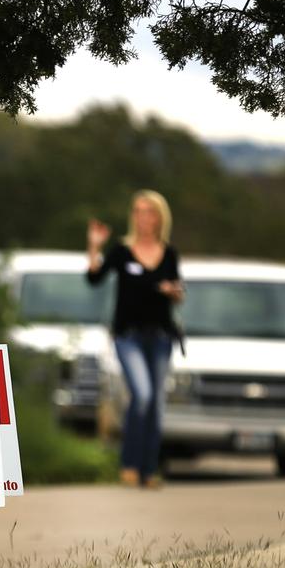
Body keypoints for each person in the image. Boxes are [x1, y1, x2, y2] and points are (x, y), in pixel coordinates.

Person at [86, 190, 185, 488]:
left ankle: (148, 470)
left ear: (159, 217)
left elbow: (178, 291)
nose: (143, 217)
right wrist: (94, 247)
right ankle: (128, 463)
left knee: (156, 403)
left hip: (160, 336)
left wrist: (173, 292)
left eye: (149, 211)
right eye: (138, 211)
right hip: (128, 336)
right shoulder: (122, 251)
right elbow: (94, 278)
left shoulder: (169, 253)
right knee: (141, 394)